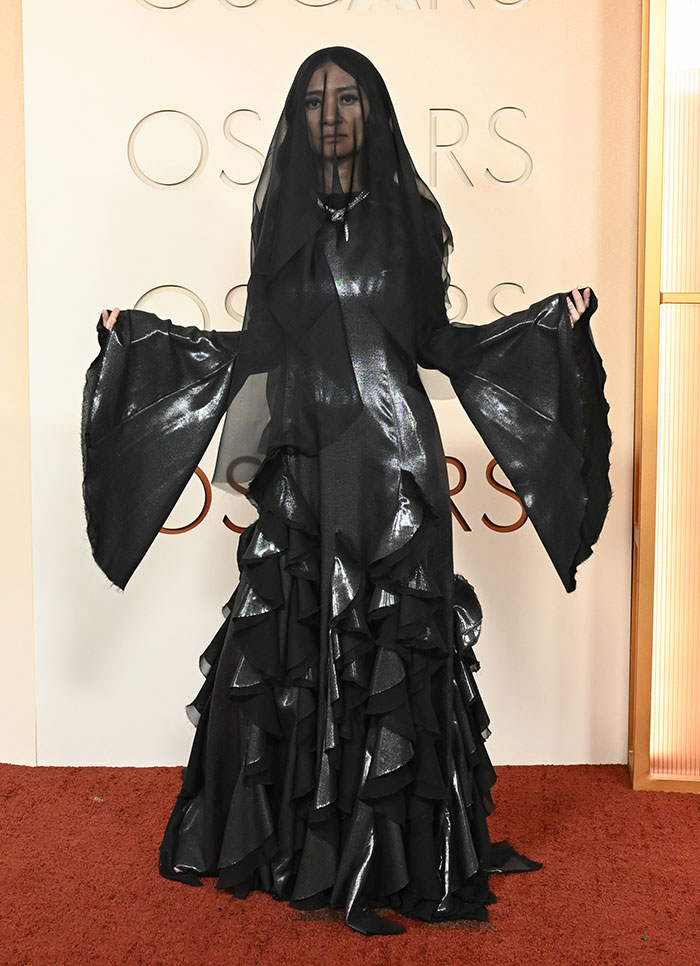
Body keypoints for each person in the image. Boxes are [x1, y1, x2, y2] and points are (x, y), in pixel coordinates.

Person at [83, 47, 611, 935]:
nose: (332, 112)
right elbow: (255, 348)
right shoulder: (279, 225)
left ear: (373, 113)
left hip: (397, 461)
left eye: (350, 98)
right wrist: (141, 339)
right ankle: (300, 843)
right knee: (291, 640)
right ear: (298, 115)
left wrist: (551, 322)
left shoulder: (407, 219)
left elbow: (437, 340)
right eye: (317, 99)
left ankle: (403, 852)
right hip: (306, 461)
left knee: (397, 645)